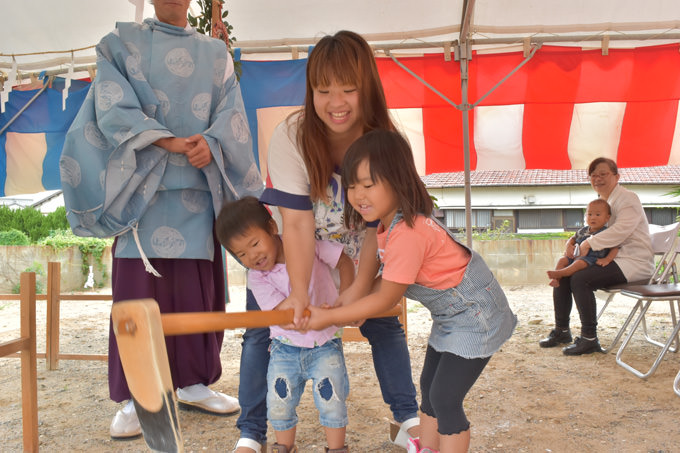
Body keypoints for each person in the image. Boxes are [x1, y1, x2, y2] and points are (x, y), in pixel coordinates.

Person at [60, 0, 263, 439]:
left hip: (196, 190)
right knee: (137, 296)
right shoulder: (121, 45)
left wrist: (212, 142)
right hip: (141, 196)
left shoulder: (216, 54)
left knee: (194, 291)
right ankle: (138, 395)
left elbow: (231, 117)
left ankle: (192, 382)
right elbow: (111, 108)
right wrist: (168, 141)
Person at [232, 30, 420, 453]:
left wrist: (355, 289)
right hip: (293, 258)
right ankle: (251, 432)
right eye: (323, 90)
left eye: (349, 89)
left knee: (384, 324)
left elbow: (379, 225)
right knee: (262, 332)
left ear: (367, 87)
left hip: (356, 254)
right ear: (310, 91)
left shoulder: (387, 142)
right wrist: (298, 293)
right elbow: (296, 224)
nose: (337, 102)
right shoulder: (291, 135)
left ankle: (407, 418)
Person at [304, 129, 517, 453]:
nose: (358, 194)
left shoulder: (408, 232)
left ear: (397, 179)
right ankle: (427, 448)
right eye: (350, 185)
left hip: (475, 316)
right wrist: (339, 308)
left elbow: (386, 298)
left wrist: (334, 316)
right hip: (450, 315)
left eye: (368, 184)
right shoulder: (385, 225)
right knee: (430, 388)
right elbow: (378, 282)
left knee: (446, 399)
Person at [216, 196, 354, 453]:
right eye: (241, 254)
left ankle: (337, 449)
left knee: (331, 400)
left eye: (254, 244)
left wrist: (345, 299)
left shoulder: (306, 245)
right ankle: (284, 448)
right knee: (279, 402)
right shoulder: (257, 278)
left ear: (272, 227)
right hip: (284, 349)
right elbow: (279, 313)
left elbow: (344, 262)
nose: (252, 256)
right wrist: (295, 317)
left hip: (325, 342)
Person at [539, 157, 654, 355]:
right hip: (609, 257)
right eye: (593, 175)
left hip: (632, 261)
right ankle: (562, 331)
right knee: (564, 273)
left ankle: (589, 339)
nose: (598, 179)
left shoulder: (628, 198)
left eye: (603, 174)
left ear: (617, 176)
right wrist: (572, 242)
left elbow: (621, 230)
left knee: (581, 278)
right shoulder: (605, 202)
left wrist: (589, 243)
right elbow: (591, 229)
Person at [547, 198, 619, 287]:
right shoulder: (583, 230)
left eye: (598, 214)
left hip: (591, 259)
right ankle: (556, 279)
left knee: (579, 263)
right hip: (575, 256)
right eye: (589, 214)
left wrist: (607, 259)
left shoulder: (607, 233)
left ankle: (561, 273)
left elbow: (615, 247)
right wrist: (569, 245)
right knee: (562, 260)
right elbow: (573, 238)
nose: (593, 217)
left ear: (607, 218)